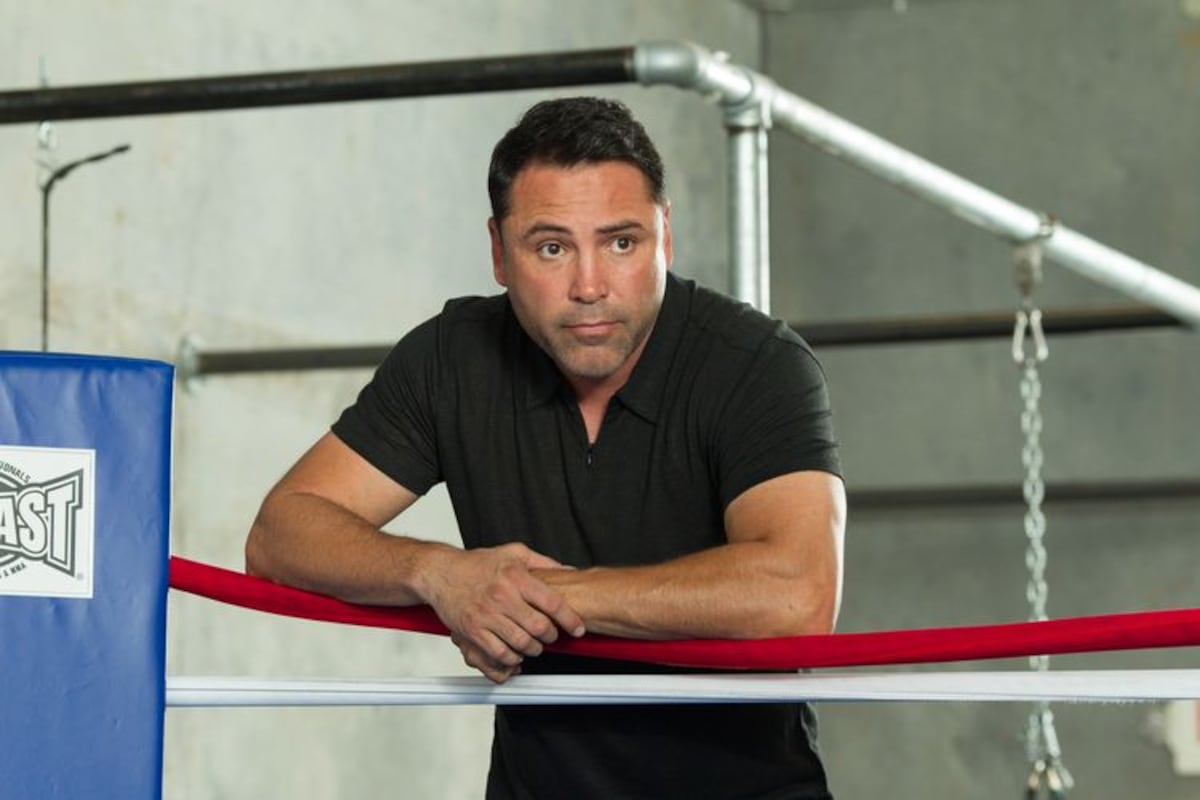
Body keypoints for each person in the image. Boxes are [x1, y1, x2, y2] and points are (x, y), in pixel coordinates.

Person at [245, 96, 846, 799]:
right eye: (552, 248)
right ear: (499, 253)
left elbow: (798, 594)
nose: (589, 286)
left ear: (666, 236)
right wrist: (438, 574)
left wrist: (532, 597)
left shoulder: (755, 364)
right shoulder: (453, 359)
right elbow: (279, 535)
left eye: (621, 243)